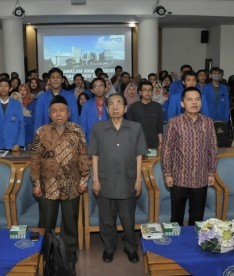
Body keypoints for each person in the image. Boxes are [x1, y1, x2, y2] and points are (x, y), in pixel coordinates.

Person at [31, 95, 89, 270]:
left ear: (68, 113)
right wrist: (36, 183)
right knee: (47, 223)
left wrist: (84, 179)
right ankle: (47, 255)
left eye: (62, 110)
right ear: (50, 114)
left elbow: (83, 156)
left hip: (72, 185)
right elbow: (34, 159)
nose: (58, 114)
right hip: (48, 186)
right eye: (54, 111)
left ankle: (68, 255)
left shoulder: (77, 131)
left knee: (70, 224)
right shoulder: (41, 132)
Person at [88, 93, 147, 264]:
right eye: (111, 104)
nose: (115, 107)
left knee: (128, 220)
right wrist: (96, 179)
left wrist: (138, 179)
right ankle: (109, 248)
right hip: (105, 181)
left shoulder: (135, 128)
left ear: (125, 108)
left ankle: (131, 248)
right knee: (107, 220)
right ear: (106, 109)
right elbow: (95, 155)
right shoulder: (98, 128)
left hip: (128, 181)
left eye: (119, 103)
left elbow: (138, 155)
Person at [161, 87, 217, 226]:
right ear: (182, 103)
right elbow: (167, 149)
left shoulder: (208, 122)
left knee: (197, 217)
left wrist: (211, 172)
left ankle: (194, 244)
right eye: (190, 99)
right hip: (179, 178)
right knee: (176, 217)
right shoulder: (174, 122)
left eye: (197, 99)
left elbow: (213, 148)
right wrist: (167, 173)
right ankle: (176, 245)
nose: (194, 103)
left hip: (200, 178)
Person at [34, 67, 79, 132]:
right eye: (52, 77)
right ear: (49, 80)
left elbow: (75, 119)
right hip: (47, 136)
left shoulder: (70, 96)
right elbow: (38, 120)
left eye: (58, 77)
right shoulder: (42, 98)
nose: (55, 80)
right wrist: (38, 138)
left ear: (62, 80)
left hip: (66, 136)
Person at [0, 78, 25, 151]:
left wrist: (19, 143)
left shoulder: (17, 104)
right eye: (1, 86)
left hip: (13, 145)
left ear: (10, 88)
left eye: (6, 86)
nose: (3, 88)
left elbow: (21, 125)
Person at [127, 80, 164, 149]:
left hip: (154, 143)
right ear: (140, 92)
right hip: (138, 143)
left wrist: (161, 143)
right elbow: (130, 128)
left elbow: (160, 128)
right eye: (145, 90)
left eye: (150, 90)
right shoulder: (133, 108)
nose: (148, 92)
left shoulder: (158, 107)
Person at [79, 78, 108, 144]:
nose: (99, 88)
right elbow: (83, 125)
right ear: (92, 90)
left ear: (105, 88)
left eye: (101, 86)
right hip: (91, 140)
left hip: (108, 140)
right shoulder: (86, 105)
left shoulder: (110, 103)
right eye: (96, 86)